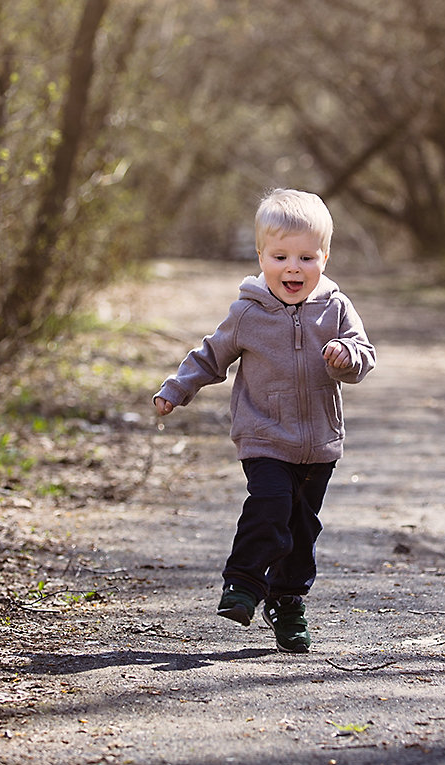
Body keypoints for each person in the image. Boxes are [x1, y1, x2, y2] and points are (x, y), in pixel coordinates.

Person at [153, 188, 375, 653]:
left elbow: (364, 357)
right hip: (264, 435)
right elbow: (210, 356)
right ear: (261, 257)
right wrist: (176, 390)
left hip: (319, 443)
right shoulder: (248, 313)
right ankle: (244, 584)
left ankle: (288, 601)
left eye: (306, 257)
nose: (293, 267)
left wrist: (345, 355)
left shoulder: (335, 308)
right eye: (280, 256)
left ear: (325, 257)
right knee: (270, 504)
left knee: (301, 527)